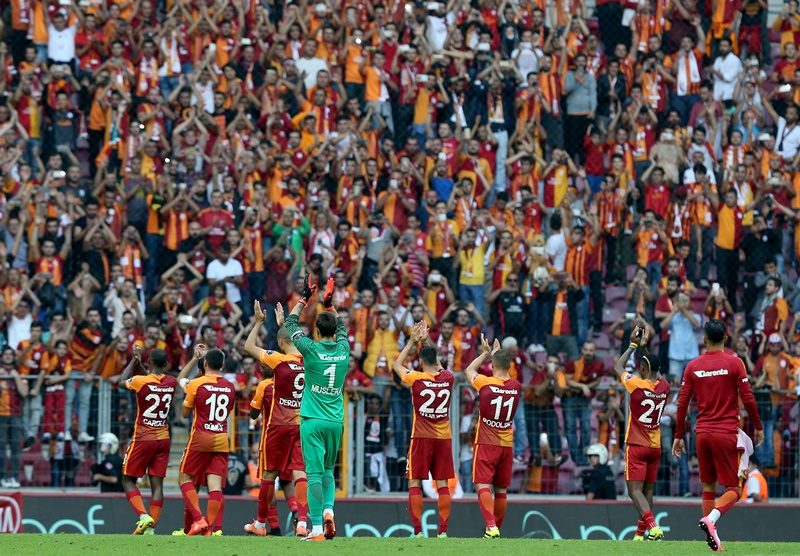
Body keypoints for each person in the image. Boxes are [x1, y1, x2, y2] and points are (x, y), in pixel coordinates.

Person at [672, 319, 764, 552]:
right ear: (726, 337)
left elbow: (682, 404)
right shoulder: (735, 363)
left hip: (702, 433)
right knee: (734, 489)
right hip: (725, 432)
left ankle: (712, 540)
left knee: (708, 486)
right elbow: (748, 397)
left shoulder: (692, 366)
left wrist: (678, 435)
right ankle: (711, 520)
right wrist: (758, 426)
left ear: (704, 340)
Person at [283, 276, 350, 541]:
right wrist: (329, 304)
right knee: (328, 471)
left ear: (317, 332)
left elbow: (290, 324)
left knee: (313, 474)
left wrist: (304, 298)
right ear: (334, 332)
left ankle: (318, 529)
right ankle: (329, 511)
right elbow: (342, 326)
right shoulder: (344, 348)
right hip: (335, 421)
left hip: (312, 420)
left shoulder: (310, 349)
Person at [243, 301, 309, 537]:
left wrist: (259, 322)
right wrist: (286, 324)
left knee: (269, 474)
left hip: (278, 425)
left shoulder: (278, 359)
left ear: (281, 343)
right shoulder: (310, 360)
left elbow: (248, 346)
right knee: (300, 472)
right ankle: (302, 523)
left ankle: (261, 524)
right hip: (301, 424)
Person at [391, 320, 455, 539]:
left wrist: (412, 342)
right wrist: (426, 341)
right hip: (443, 437)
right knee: (442, 483)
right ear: (436, 360)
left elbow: (396, 365)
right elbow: (437, 363)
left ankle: (418, 531)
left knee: (415, 481)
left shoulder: (416, 379)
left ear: (420, 361)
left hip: (420, 437)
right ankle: (442, 532)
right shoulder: (448, 378)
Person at [614, 324, 670, 541]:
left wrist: (633, 345)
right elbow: (655, 369)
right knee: (648, 491)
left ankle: (653, 528)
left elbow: (618, 366)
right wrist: (645, 349)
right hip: (655, 446)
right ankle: (639, 535)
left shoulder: (636, 384)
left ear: (644, 369)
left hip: (637, 445)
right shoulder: (665, 386)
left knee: (634, 491)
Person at [463, 334, 522, 539]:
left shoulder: (485, 383)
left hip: (486, 442)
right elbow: (504, 370)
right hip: (506, 445)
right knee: (501, 489)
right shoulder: (516, 386)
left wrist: (485, 353)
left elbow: (468, 370)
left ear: (492, 365)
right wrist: (497, 354)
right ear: (509, 365)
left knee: (482, 484)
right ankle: (496, 529)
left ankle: (490, 526)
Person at [175, 345, 236, 536]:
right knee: (215, 486)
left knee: (185, 479)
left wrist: (194, 358)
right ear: (222, 365)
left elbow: (185, 413)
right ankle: (208, 529)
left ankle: (199, 520)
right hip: (221, 439)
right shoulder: (230, 386)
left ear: (206, 363)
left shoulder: (196, 384)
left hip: (200, 438)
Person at [119, 346, 177, 535]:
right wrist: (144, 366)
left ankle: (144, 517)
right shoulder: (171, 382)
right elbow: (153, 380)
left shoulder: (139, 381)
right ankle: (150, 530)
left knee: (128, 479)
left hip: (143, 438)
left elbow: (121, 382)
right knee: (157, 485)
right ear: (166, 364)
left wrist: (134, 362)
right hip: (164, 438)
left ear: (149, 362)